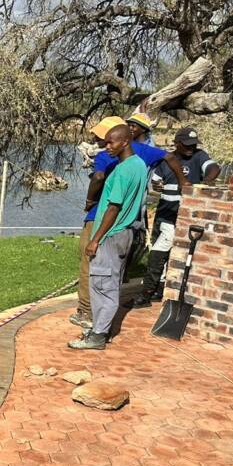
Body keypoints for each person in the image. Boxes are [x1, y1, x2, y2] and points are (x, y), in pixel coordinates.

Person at [69, 117, 188, 331]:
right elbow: (170, 157)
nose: (101, 142)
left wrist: (89, 203)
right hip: (130, 224)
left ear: (121, 140)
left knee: (93, 268)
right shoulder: (141, 159)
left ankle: (88, 314)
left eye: (106, 139)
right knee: (114, 271)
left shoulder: (110, 158)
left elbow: (100, 182)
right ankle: (104, 317)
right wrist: (184, 183)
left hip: (103, 220)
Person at [70, 124, 148, 350]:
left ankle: (98, 336)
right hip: (126, 234)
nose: (107, 147)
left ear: (125, 141)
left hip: (112, 235)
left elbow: (113, 207)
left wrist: (96, 239)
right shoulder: (139, 165)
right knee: (111, 281)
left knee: (103, 284)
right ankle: (100, 328)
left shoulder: (123, 170)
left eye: (112, 142)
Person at [129, 126, 220, 307]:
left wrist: (205, 182)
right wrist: (157, 186)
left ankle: (146, 294)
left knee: (157, 254)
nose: (190, 148)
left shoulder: (199, 156)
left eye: (193, 145)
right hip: (164, 212)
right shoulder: (166, 160)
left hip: (180, 217)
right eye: (186, 145)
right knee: (159, 250)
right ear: (176, 143)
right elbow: (155, 181)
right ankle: (159, 289)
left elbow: (214, 168)